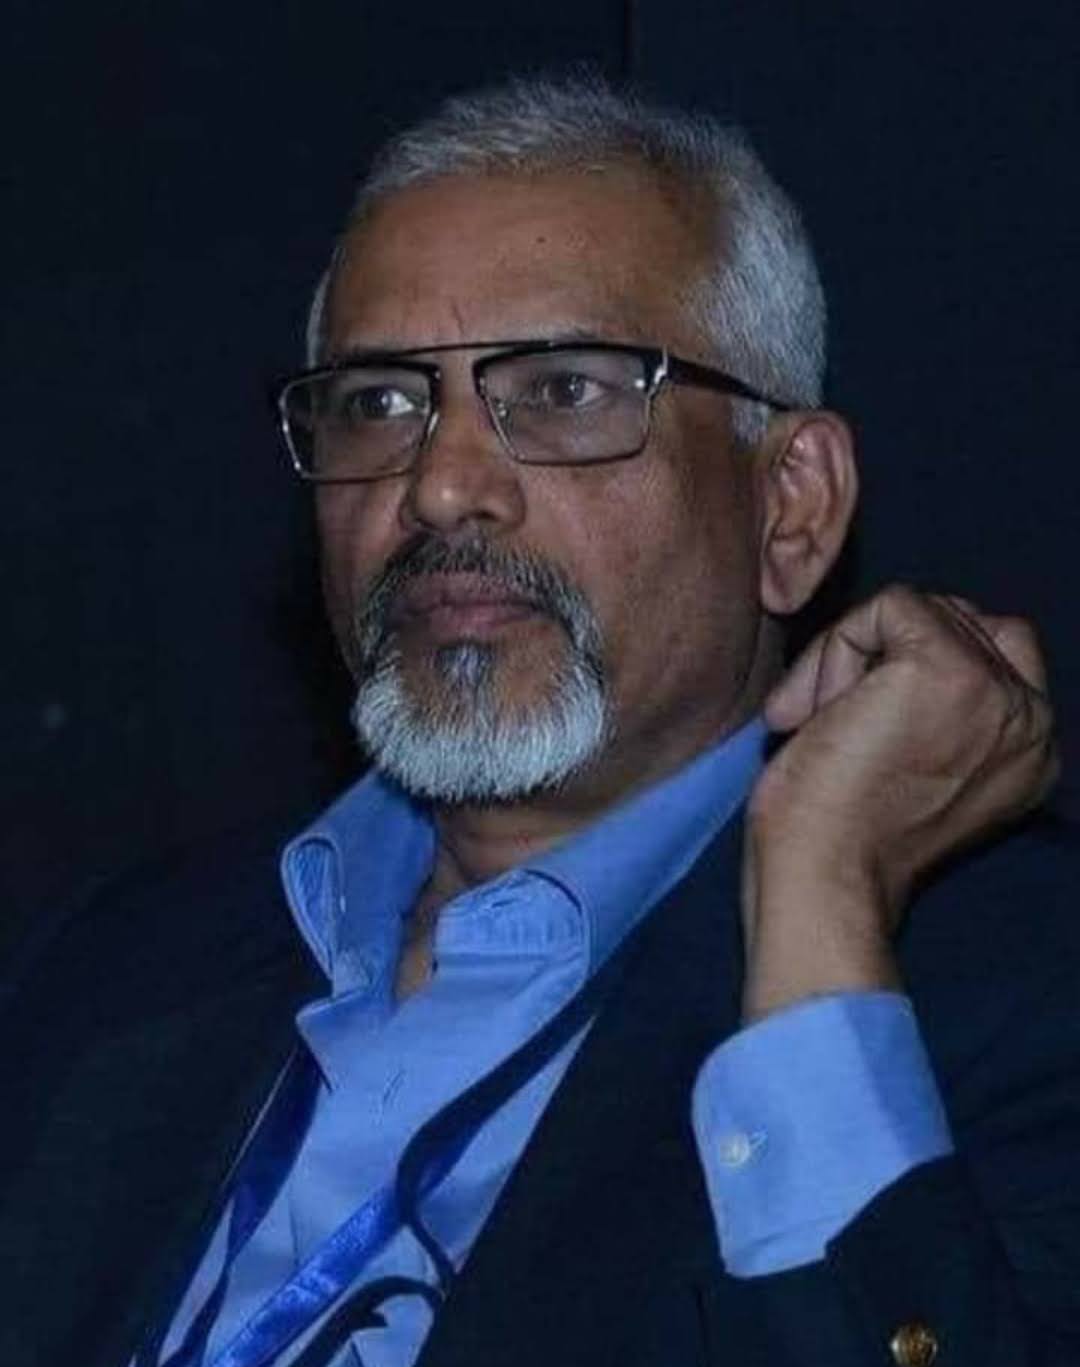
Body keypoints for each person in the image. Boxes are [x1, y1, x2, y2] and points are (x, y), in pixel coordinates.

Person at [2, 75, 1075, 1367]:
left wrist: (818, 913)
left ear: (790, 505)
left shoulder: (1001, 1005)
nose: (442, 485)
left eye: (565, 390)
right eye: (380, 402)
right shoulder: (111, 969)